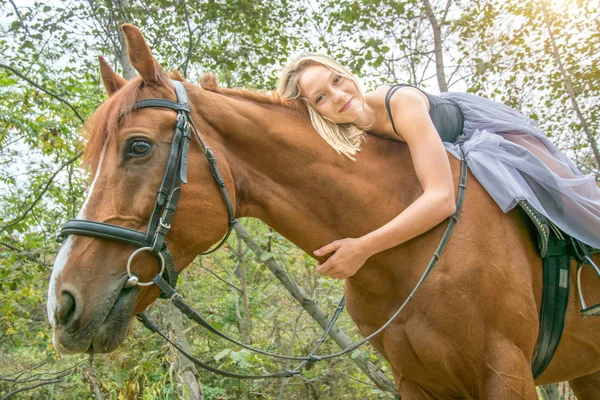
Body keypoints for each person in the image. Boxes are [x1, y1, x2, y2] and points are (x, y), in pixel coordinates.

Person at [277, 53, 600, 280]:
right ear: (315, 114)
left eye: (337, 79)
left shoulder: (400, 103)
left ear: (346, 74)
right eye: (320, 98)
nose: (338, 95)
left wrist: (363, 247)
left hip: (482, 135)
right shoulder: (351, 139)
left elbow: (442, 199)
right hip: (449, 154)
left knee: (572, 202)